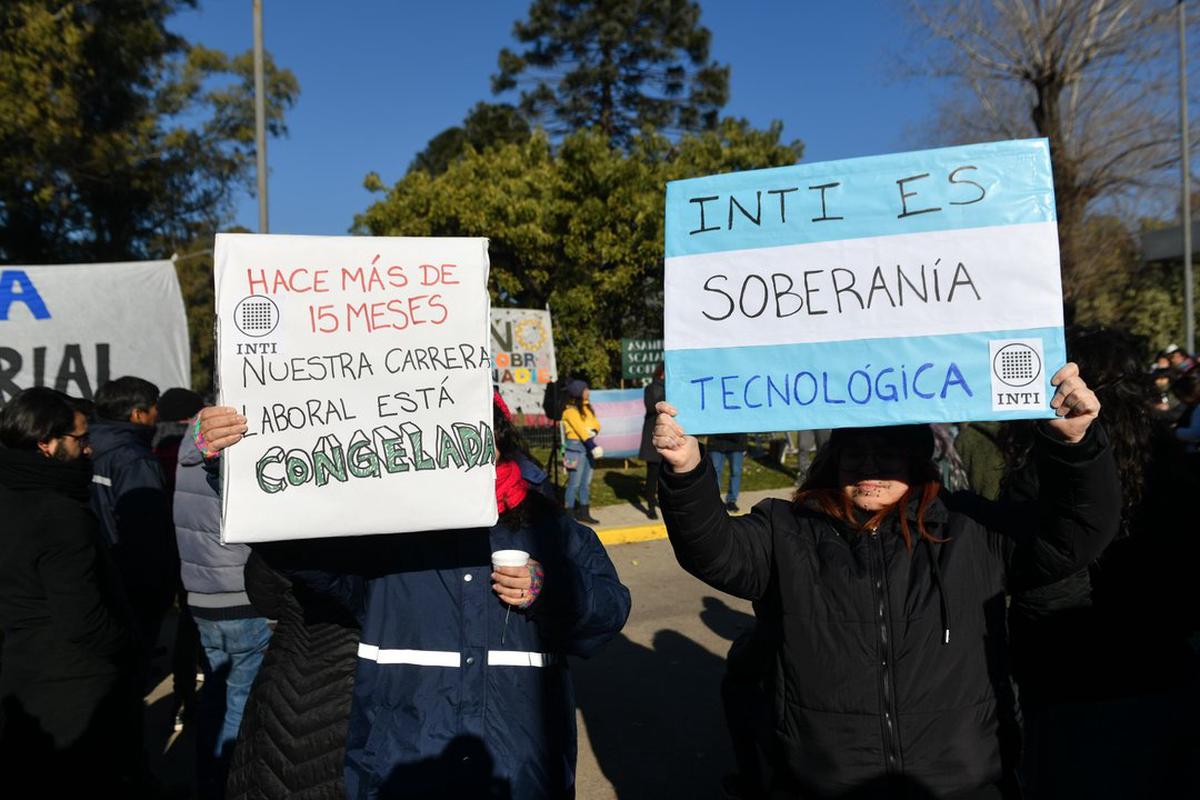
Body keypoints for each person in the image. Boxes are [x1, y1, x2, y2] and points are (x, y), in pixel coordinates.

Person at [652, 363, 1120, 799]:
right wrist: (686, 470)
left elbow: (1075, 535)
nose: (871, 470)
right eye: (856, 456)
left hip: (962, 783)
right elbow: (712, 551)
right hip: (822, 782)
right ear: (835, 461)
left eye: (888, 454)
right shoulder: (786, 529)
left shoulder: (970, 528)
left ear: (916, 461)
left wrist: (1075, 445)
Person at [199, 393, 631, 799]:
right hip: (402, 773)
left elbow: (608, 616)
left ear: (500, 438)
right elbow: (301, 549)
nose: (461, 450)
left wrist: (551, 589)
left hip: (522, 776)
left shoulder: (554, 531)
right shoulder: (388, 537)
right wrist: (236, 465)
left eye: (475, 432)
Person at [1002, 327, 1200, 799]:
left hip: (1069, 683)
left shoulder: (1042, 467)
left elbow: (1037, 578)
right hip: (1160, 674)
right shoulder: (1169, 470)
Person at [0, 388, 141, 790]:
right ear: (45, 443)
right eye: (79, 439)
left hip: (21, 680)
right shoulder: (59, 515)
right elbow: (83, 620)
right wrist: (126, 641)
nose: (88, 449)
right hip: (73, 691)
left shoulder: (13, 493)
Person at [174, 407, 272, 799]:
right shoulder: (235, 444)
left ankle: (208, 779)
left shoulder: (192, 441)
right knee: (242, 701)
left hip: (200, 591)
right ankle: (229, 782)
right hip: (240, 591)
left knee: (217, 692)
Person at [90, 376, 178, 688]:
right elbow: (146, 531)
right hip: (133, 578)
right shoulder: (134, 459)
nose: (158, 414)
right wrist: (161, 584)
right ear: (137, 415)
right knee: (131, 669)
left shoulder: (85, 445)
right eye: (154, 408)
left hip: (100, 569)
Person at [561, 378, 601, 524]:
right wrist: (593, 445)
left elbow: (596, 424)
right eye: (585, 389)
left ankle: (584, 513)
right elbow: (580, 429)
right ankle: (569, 515)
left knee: (585, 484)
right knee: (574, 484)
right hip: (576, 449)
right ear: (578, 392)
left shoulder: (587, 408)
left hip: (588, 447)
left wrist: (593, 431)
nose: (588, 392)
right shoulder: (570, 411)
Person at [638, 365, 666, 519]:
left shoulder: (672, 388)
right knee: (652, 473)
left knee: (664, 474)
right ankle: (650, 505)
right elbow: (650, 407)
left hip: (666, 436)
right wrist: (662, 404)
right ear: (661, 373)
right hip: (652, 436)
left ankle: (659, 499)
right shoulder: (650, 389)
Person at [706, 432, 748, 512]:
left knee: (736, 471)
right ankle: (715, 500)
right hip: (716, 443)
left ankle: (731, 501)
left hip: (737, 443)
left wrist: (744, 446)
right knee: (714, 471)